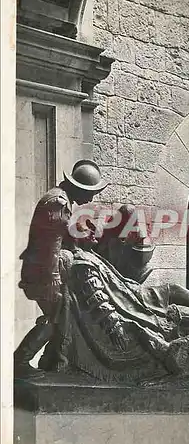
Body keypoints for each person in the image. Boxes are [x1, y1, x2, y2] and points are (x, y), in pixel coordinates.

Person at [14, 160, 108, 376]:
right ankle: (20, 361)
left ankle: (53, 359)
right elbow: (51, 245)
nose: (91, 198)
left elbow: (63, 235)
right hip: (44, 273)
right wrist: (53, 278)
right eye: (89, 191)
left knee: (60, 316)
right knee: (55, 317)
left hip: (43, 270)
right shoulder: (58, 202)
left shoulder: (62, 198)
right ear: (78, 187)